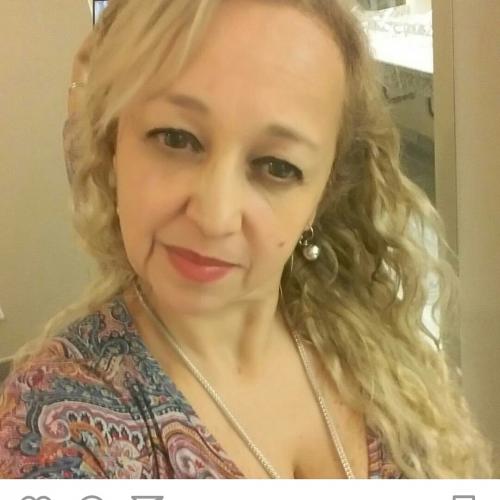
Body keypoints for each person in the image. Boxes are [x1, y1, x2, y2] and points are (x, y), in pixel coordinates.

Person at [0, 0, 493, 479]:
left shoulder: (371, 347)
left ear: (322, 194)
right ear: (112, 146)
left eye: (277, 166)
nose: (215, 218)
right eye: (176, 138)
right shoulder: (60, 419)